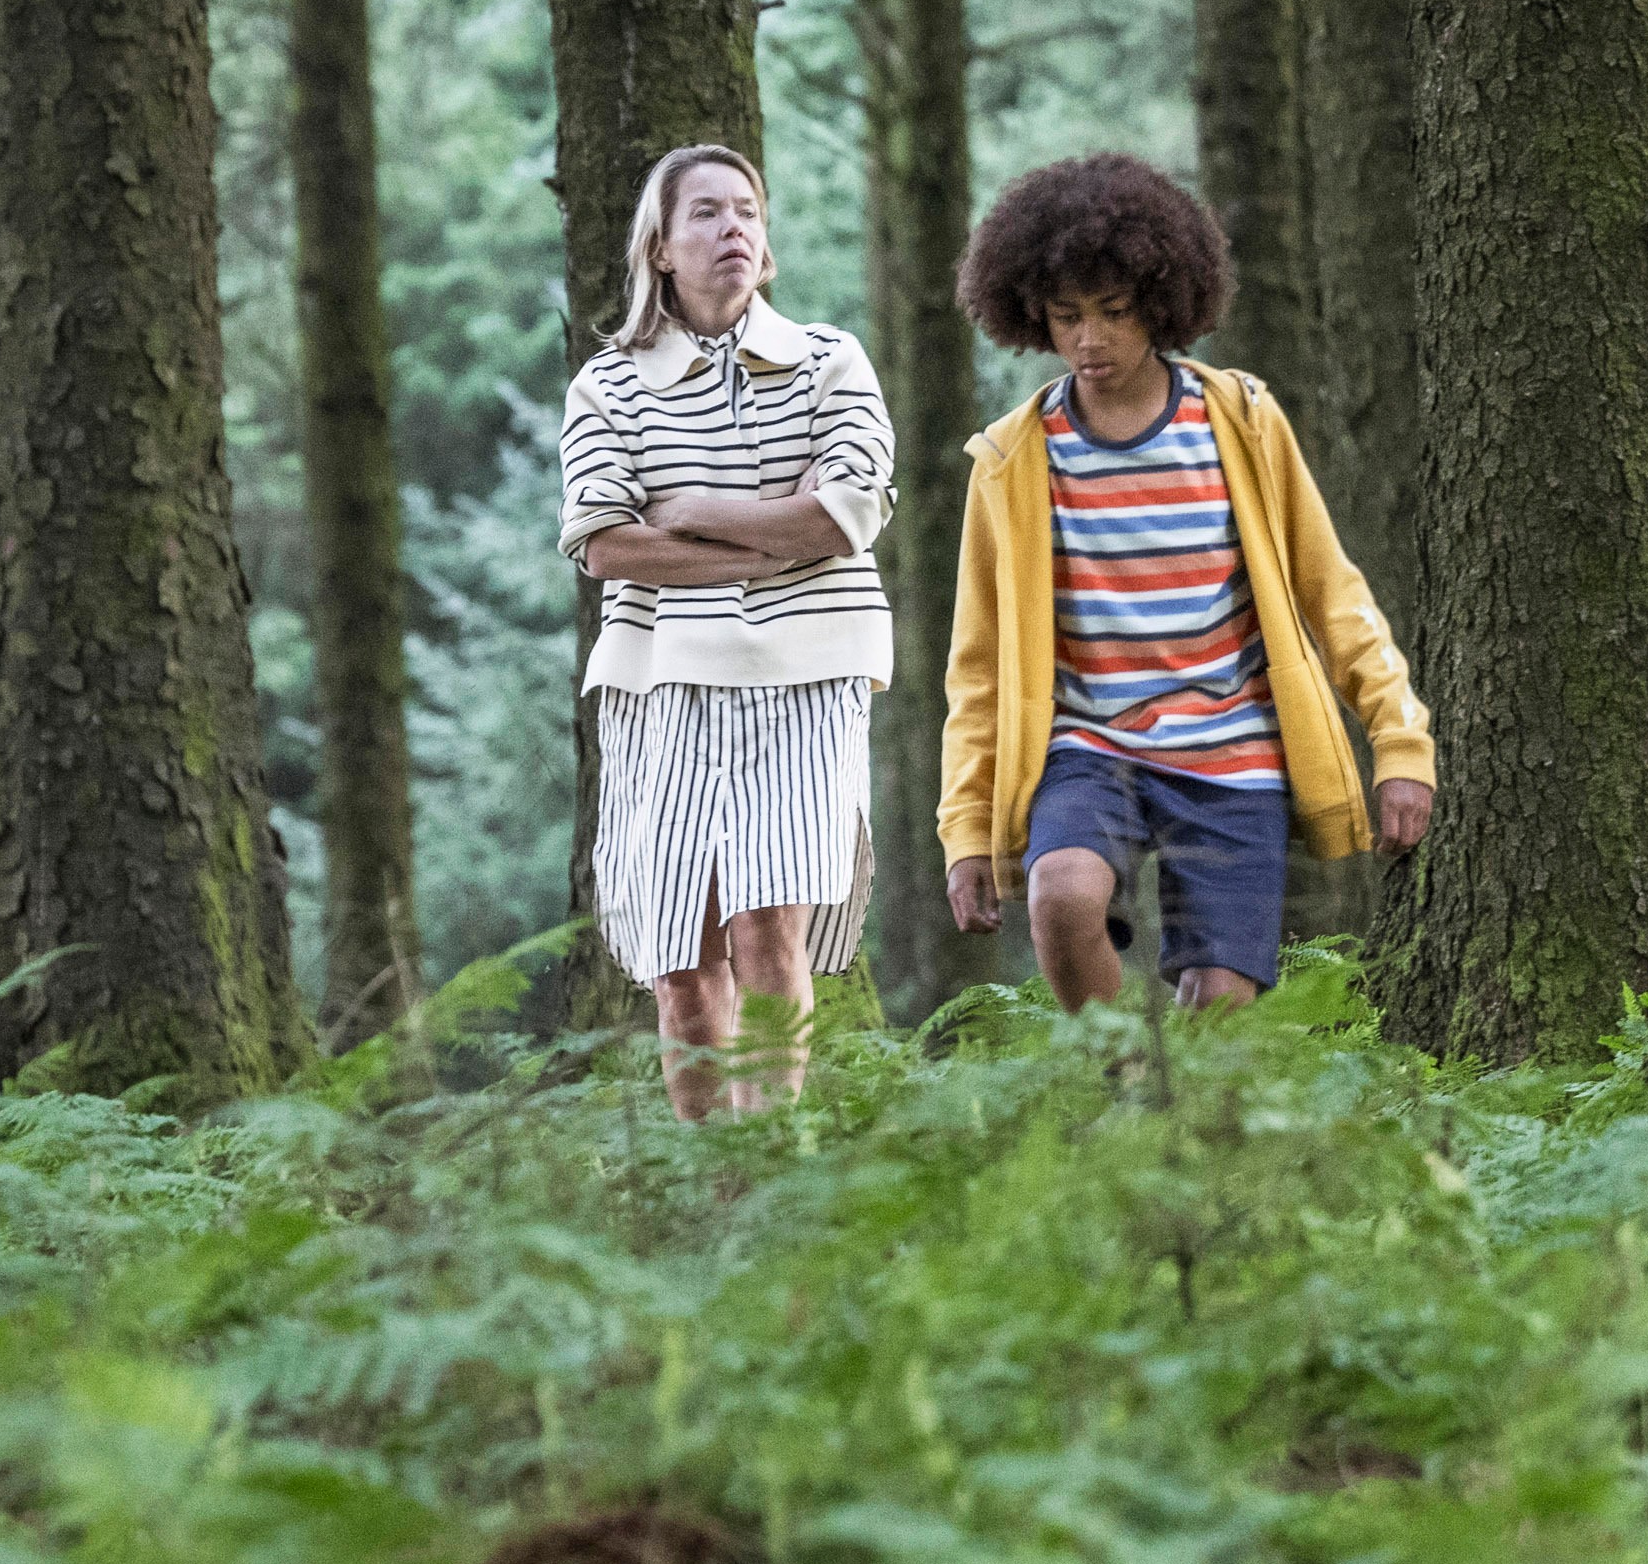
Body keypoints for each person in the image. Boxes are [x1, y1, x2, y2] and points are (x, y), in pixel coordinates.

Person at [937, 154, 1433, 1012]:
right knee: (1059, 897)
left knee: (1222, 999)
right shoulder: (1013, 459)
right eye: (1066, 316)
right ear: (1030, 316)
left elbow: (1331, 591)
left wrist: (1398, 741)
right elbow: (977, 666)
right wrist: (964, 829)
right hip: (1086, 750)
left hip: (1233, 752)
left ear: (1162, 305)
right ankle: (1121, 1080)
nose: (1090, 339)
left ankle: (1172, 1129)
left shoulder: (1237, 420)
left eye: (1115, 313)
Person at [555, 144, 895, 1117]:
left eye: (746, 211)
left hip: (807, 677)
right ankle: (712, 1191)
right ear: (658, 248)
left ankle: (769, 1161)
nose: (731, 229)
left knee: (764, 937)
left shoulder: (831, 361)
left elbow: (846, 513)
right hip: (659, 684)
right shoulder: (607, 386)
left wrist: (690, 505)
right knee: (683, 967)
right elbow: (605, 543)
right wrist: (763, 547)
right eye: (704, 213)